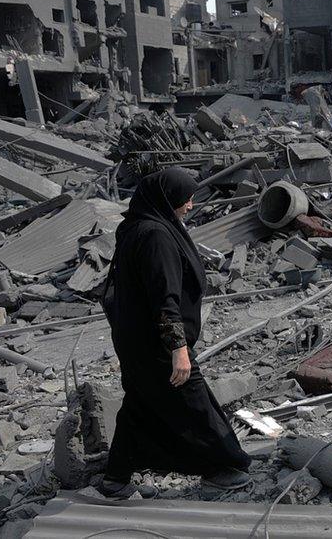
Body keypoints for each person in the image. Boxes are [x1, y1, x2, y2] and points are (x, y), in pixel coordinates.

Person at [98, 168, 251, 498]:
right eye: (185, 198)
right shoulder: (156, 235)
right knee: (194, 404)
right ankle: (220, 468)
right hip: (158, 344)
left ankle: (116, 477)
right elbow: (163, 298)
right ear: (167, 199)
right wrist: (178, 350)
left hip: (134, 340)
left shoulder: (134, 226)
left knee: (140, 404)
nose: (191, 205)